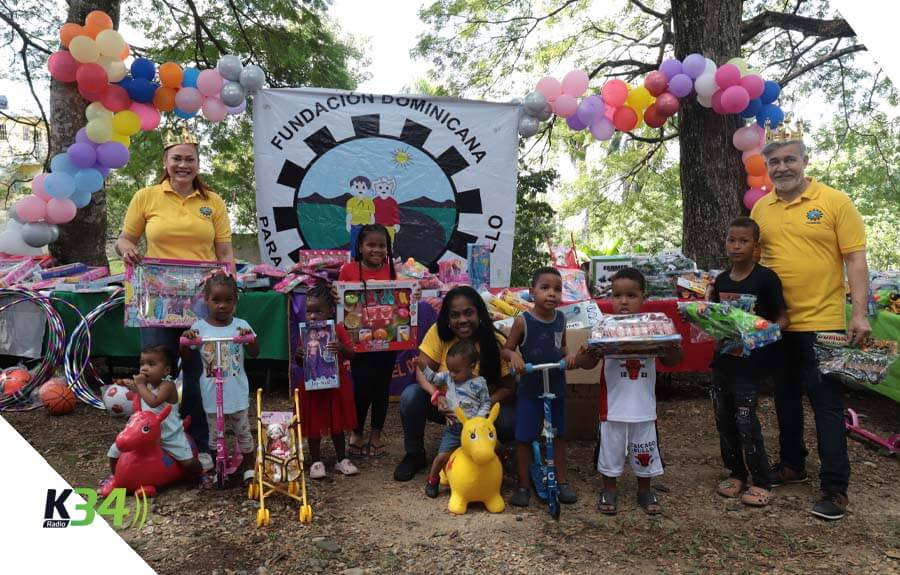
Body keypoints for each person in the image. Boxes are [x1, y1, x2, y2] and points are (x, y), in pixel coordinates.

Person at [751, 137, 870, 520]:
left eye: (789, 160)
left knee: (828, 407)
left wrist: (860, 314)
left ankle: (835, 489)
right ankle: (792, 465)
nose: (782, 167)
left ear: (805, 161)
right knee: (784, 398)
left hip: (826, 323)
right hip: (778, 324)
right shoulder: (760, 209)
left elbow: (855, 258)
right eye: (774, 162)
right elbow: (755, 262)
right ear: (766, 168)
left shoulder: (835, 202)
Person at [115, 127, 235, 470]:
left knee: (200, 373)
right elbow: (124, 240)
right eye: (177, 158)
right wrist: (128, 252)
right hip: (155, 303)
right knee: (155, 373)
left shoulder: (213, 202)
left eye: (190, 159)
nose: (184, 165)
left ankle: (200, 443)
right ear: (166, 162)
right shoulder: (146, 197)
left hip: (201, 304)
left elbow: (224, 249)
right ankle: (153, 444)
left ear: (198, 164)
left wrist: (230, 280)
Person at [582, 268, 683, 515]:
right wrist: (588, 351)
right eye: (617, 295)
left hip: (643, 407)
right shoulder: (603, 327)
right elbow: (588, 363)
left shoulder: (654, 327)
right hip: (613, 407)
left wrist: (671, 344)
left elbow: (673, 361)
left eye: (631, 295)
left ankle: (645, 490)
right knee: (610, 450)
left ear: (643, 297)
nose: (623, 301)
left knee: (645, 448)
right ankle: (609, 490)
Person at [394, 285, 517, 482]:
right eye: (455, 315)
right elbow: (422, 371)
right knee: (411, 396)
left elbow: (509, 387)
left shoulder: (495, 341)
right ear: (447, 318)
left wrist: (483, 409)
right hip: (447, 409)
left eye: (469, 313)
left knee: (510, 421)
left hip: (482, 413)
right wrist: (438, 397)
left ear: (480, 313)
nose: (462, 320)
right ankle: (414, 454)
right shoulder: (439, 333)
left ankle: (502, 455)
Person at [709, 217, 790, 507]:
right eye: (732, 240)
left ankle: (762, 480)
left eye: (743, 241)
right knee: (725, 422)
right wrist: (702, 321)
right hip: (722, 364)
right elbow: (716, 318)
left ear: (756, 245)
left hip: (751, 367)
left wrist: (767, 332)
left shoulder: (766, 278)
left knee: (747, 422)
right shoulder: (720, 280)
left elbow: (783, 317)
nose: (736, 246)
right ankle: (736, 473)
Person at [502, 267, 580, 507]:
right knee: (524, 436)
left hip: (555, 384)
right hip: (530, 386)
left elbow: (563, 348)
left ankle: (562, 480)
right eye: (545, 288)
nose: (551, 294)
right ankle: (523, 484)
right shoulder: (522, 321)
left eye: (557, 289)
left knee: (558, 435)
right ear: (531, 292)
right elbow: (506, 349)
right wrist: (514, 358)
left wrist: (569, 357)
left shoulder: (561, 319)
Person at [180, 274, 259, 486]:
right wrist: (185, 342)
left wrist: (248, 337)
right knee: (215, 434)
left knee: (243, 430)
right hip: (211, 392)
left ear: (235, 301)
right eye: (216, 300)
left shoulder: (241, 325)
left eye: (228, 300)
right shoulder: (199, 327)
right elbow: (186, 357)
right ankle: (218, 468)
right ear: (206, 299)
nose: (222, 306)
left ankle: (249, 466)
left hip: (236, 390)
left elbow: (254, 352)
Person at [101, 345, 202, 490]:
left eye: (151, 364)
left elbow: (154, 402)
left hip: (168, 435)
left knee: (187, 462)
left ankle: (200, 473)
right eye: (142, 363)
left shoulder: (167, 385)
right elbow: (141, 401)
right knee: (113, 452)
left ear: (166, 370)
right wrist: (136, 388)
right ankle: (115, 477)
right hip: (143, 435)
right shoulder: (146, 385)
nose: (144, 368)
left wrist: (140, 386)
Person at [337, 224, 398, 458]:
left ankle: (376, 434)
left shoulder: (394, 272)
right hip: (359, 344)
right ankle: (356, 431)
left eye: (382, 245)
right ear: (360, 247)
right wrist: (337, 296)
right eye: (370, 245)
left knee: (382, 389)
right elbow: (343, 303)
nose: (377, 249)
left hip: (388, 343)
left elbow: (402, 302)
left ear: (388, 248)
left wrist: (413, 295)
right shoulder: (348, 270)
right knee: (361, 389)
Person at [295, 283, 359, 478]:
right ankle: (316, 461)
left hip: (335, 386)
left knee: (337, 421)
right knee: (313, 422)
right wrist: (299, 354)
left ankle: (342, 459)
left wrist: (340, 347)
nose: (312, 316)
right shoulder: (305, 333)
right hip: (312, 385)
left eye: (318, 311)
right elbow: (299, 362)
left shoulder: (337, 330)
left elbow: (353, 355)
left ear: (330, 311)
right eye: (309, 311)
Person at [422, 340, 491, 498]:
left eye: (456, 371)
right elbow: (432, 378)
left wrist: (479, 419)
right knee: (441, 456)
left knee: (482, 454)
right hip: (454, 428)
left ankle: (486, 481)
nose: (452, 374)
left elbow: (486, 402)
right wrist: (422, 366)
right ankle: (433, 479)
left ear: (472, 366)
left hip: (473, 431)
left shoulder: (479, 383)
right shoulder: (448, 377)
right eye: (450, 369)